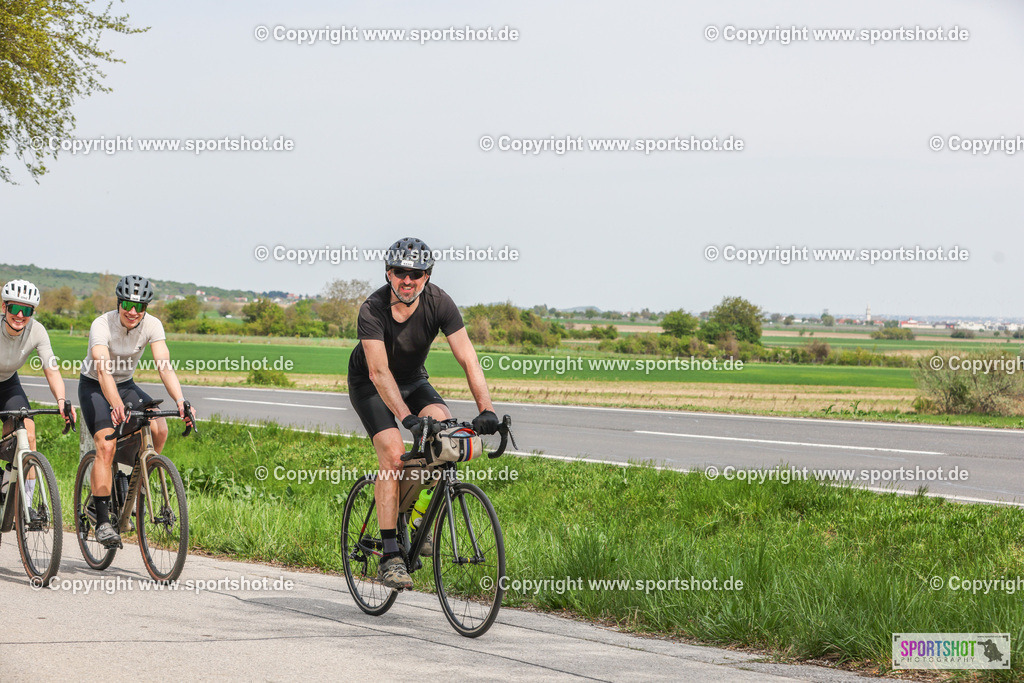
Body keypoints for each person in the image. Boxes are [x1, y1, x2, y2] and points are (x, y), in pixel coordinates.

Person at [348, 237, 499, 589]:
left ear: (427, 276)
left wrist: (486, 409)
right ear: (389, 273)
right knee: (392, 456)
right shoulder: (372, 309)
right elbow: (379, 373)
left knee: (445, 439)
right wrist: (406, 418)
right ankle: (390, 555)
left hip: (413, 380)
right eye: (400, 272)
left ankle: (418, 521)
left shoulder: (440, 302)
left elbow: (468, 358)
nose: (407, 280)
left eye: (416, 274)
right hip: (371, 384)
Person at [78, 275, 195, 548]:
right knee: (105, 447)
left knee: (158, 428)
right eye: (127, 305)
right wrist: (116, 404)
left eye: (139, 306)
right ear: (119, 303)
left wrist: (180, 400)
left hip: (126, 384)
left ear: (145, 308)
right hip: (95, 385)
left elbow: (164, 366)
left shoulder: (152, 325)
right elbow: (103, 371)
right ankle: (103, 519)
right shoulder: (101, 325)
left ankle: (132, 487)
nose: (133, 312)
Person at [0, 280, 77, 510]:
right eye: (15, 308)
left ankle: (25, 507)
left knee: (27, 435)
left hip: (7, 383)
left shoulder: (37, 331)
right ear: (4, 308)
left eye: (27, 310)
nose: (20, 315)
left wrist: (62, 401)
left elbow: (51, 369)